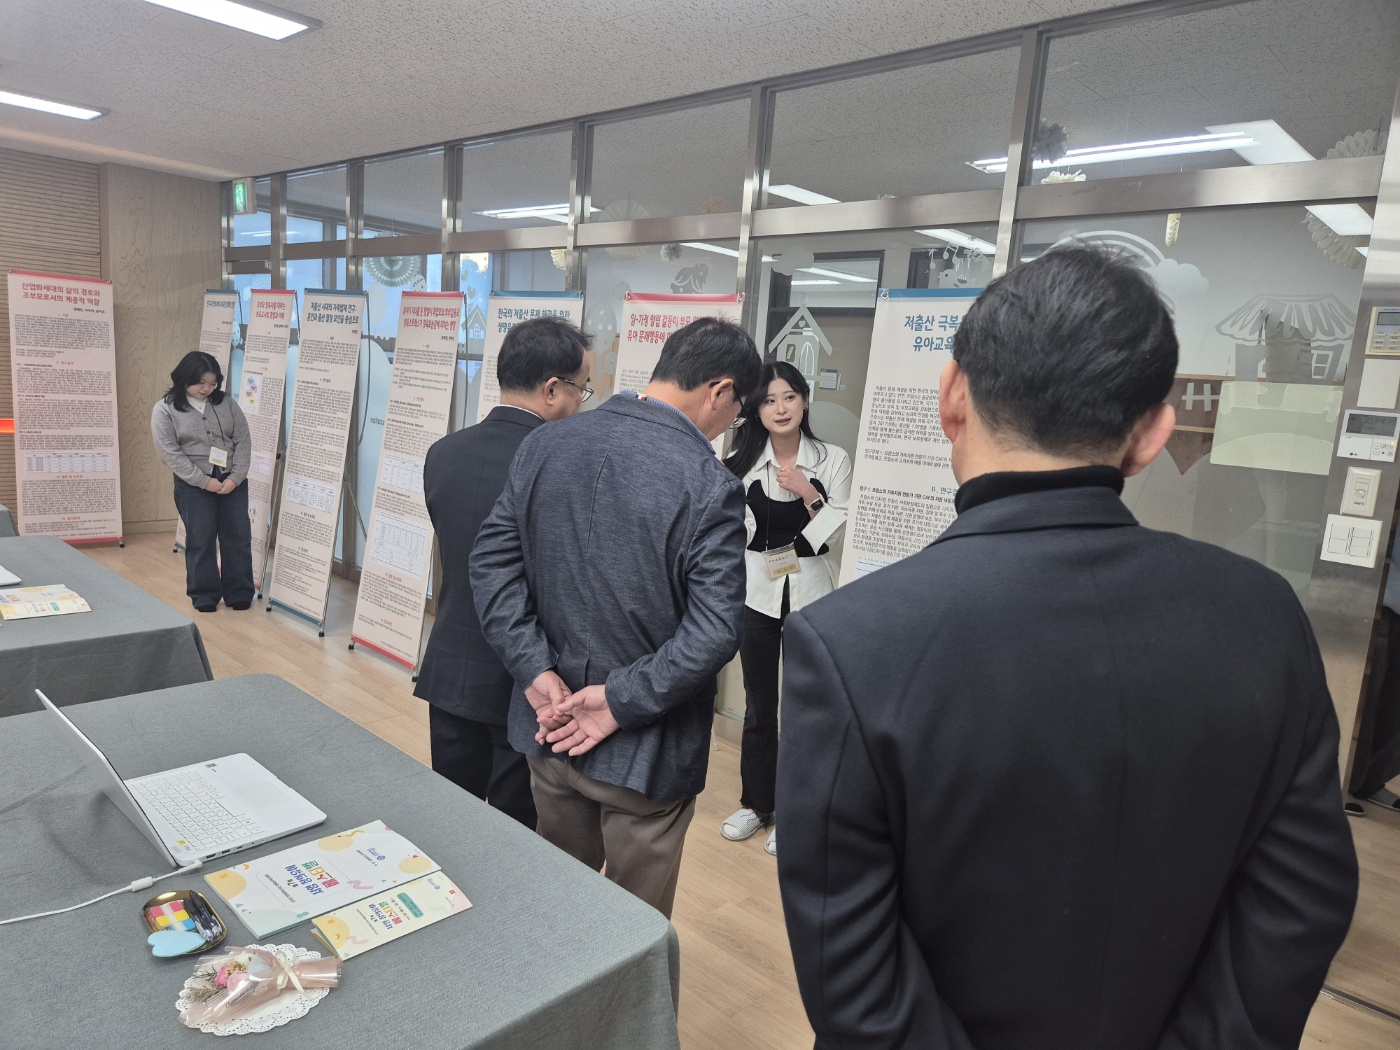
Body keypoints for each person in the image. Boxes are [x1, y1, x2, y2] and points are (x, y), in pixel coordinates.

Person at [776, 246, 1359, 1050]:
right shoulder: (1264, 617)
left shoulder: (851, 642)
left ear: (951, 398)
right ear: (1153, 434)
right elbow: (1300, 901)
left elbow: (850, 965)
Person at [471, 317, 760, 918]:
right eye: (737, 411)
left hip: (549, 727)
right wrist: (619, 701)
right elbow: (714, 631)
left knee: (559, 909)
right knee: (632, 929)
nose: (730, 424)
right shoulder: (709, 483)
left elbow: (491, 565)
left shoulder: (546, 443)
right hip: (644, 756)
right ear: (720, 391)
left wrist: (534, 669)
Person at [414, 317, 593, 829]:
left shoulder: (443, 451)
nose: (581, 403)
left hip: (451, 669)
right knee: (515, 833)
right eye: (581, 389)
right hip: (531, 681)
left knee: (452, 822)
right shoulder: (563, 463)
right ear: (552, 389)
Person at [721, 361, 852, 856]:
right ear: (756, 409)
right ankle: (757, 804)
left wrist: (808, 493)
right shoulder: (739, 461)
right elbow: (733, 532)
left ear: (805, 401)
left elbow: (835, 535)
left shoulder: (832, 459)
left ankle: (796, 812)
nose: (780, 408)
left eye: (789, 397)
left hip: (812, 597)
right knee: (759, 706)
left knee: (804, 708)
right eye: (769, 400)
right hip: (756, 595)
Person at [151, 350, 253, 613]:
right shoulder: (165, 409)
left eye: (213, 383)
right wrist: (204, 481)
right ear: (184, 378)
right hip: (193, 484)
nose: (207, 389)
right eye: (201, 383)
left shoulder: (226, 403)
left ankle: (239, 592)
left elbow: (243, 440)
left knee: (238, 536)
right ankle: (204, 594)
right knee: (201, 539)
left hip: (232, 481)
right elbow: (169, 453)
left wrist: (236, 477)